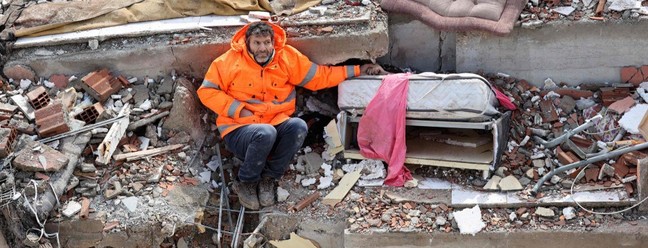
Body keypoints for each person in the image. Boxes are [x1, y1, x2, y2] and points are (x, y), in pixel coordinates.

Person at [197, 21, 385, 210]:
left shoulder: (286, 58)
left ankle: (269, 179)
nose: (263, 48)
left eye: (267, 42)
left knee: (298, 126)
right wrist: (238, 110)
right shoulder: (228, 61)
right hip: (239, 130)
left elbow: (320, 77)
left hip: (274, 125)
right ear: (247, 43)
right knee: (265, 133)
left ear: (273, 42)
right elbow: (206, 92)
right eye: (257, 43)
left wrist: (360, 70)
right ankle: (246, 182)